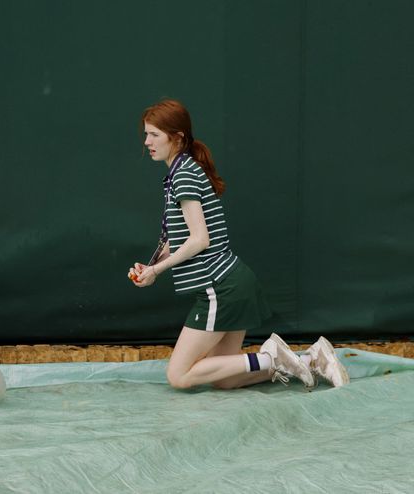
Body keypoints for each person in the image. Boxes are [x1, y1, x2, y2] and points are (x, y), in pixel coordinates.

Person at [129, 99, 349, 390]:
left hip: (219, 287)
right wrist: (152, 266)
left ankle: (272, 359)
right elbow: (180, 237)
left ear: (177, 137)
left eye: (154, 134)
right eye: (146, 134)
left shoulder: (183, 175)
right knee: (226, 379)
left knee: (179, 376)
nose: (147, 142)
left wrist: (159, 271)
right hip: (234, 283)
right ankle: (311, 359)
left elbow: (199, 240)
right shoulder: (182, 173)